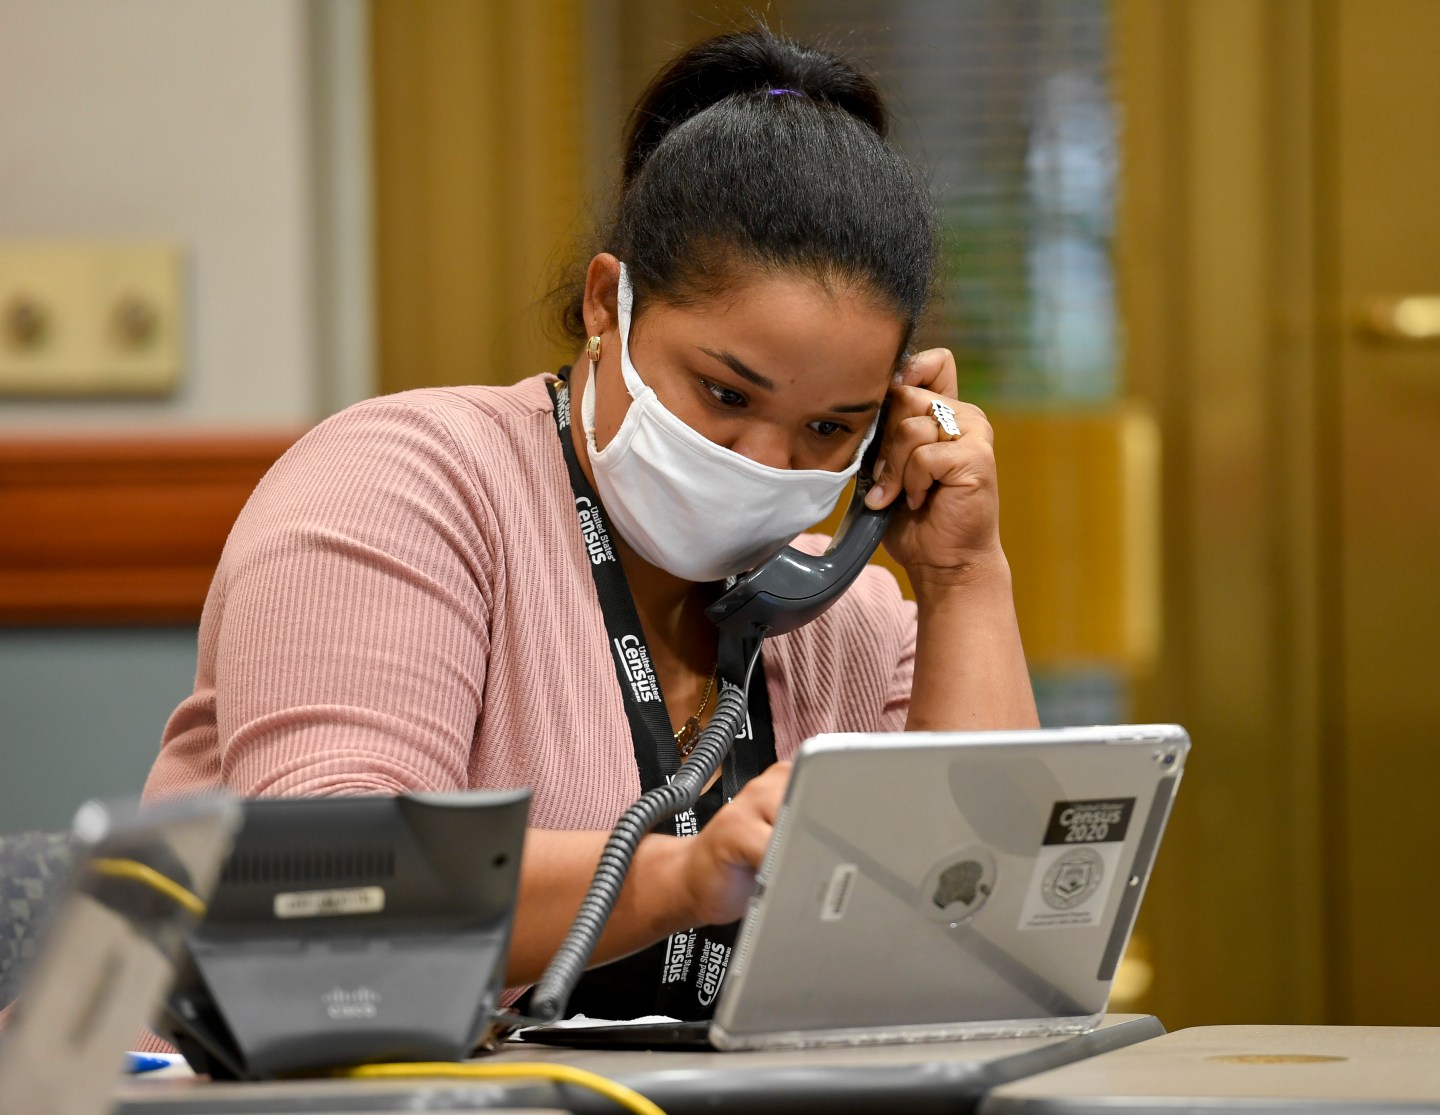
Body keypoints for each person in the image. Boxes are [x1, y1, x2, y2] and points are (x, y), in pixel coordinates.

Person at [142, 25, 1038, 1021]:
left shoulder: (849, 614)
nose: (766, 463)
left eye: (833, 426)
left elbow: (990, 961)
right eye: (724, 393)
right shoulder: (402, 485)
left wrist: (964, 574)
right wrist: (678, 877)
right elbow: (327, 904)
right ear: (609, 301)